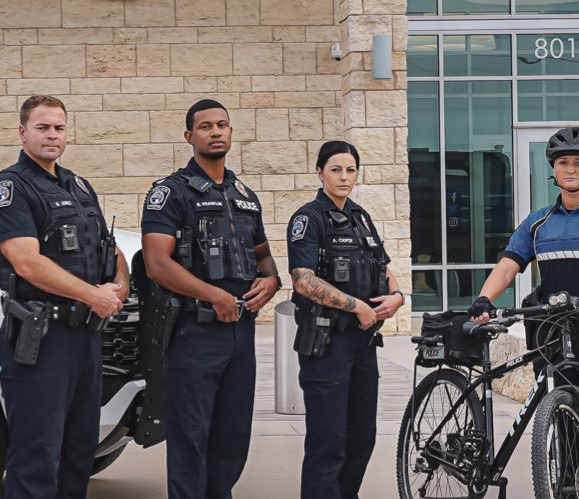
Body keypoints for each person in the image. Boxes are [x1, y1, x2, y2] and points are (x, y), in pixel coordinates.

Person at [466, 127, 579, 498]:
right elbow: (507, 266)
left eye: (578, 163)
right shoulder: (537, 223)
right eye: (563, 163)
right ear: (553, 169)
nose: (570, 169)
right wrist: (485, 298)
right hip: (551, 336)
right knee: (562, 434)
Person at [0, 95, 128, 498]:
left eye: (59, 128)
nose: (52, 135)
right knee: (37, 457)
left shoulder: (79, 186)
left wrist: (118, 286)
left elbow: (109, 248)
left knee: (78, 455)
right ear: (23, 132)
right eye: (43, 127)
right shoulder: (11, 187)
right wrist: (93, 296)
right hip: (41, 339)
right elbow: (27, 262)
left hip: (85, 340)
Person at [141, 99, 280, 499]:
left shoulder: (244, 194)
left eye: (222, 125)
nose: (215, 132)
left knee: (232, 440)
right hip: (193, 335)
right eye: (205, 127)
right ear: (190, 137)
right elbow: (156, 264)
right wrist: (213, 294)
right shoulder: (170, 194)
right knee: (190, 441)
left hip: (240, 336)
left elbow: (263, 257)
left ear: (231, 133)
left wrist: (272, 282)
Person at [286, 141, 403, 499]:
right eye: (336, 169)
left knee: (361, 437)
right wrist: (355, 306)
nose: (344, 177)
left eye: (350, 170)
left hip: (362, 344)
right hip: (326, 344)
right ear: (319, 172)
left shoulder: (360, 217)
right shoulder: (309, 218)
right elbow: (303, 280)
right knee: (328, 440)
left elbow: (384, 268)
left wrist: (397, 297)